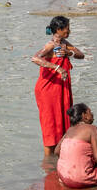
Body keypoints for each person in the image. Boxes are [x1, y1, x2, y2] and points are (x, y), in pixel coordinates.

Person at [32, 15, 84, 155]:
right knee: (50, 125)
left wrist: (69, 52)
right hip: (48, 89)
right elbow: (35, 58)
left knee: (63, 121)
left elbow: (81, 54)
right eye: (67, 28)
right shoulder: (50, 45)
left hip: (61, 89)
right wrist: (57, 68)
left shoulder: (64, 43)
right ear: (59, 29)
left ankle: (60, 157)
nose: (69, 31)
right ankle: (48, 162)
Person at [56, 103, 97, 188]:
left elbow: (57, 151)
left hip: (62, 175)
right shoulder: (92, 129)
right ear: (84, 115)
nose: (92, 114)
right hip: (79, 179)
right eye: (90, 112)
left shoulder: (69, 130)